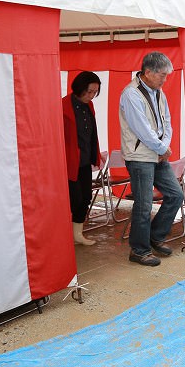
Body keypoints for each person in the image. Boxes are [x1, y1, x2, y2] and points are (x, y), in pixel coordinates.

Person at [119, 52, 184, 267]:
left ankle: (155, 236)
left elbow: (167, 121)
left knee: (175, 195)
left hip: (157, 153)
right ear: (147, 73)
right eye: (162, 75)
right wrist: (162, 147)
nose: (165, 80)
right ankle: (139, 250)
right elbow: (142, 130)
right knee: (144, 204)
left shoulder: (159, 92)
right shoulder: (131, 94)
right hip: (139, 157)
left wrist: (163, 146)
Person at [63, 71, 102, 246]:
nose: (92, 96)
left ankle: (77, 234)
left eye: (95, 92)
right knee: (74, 198)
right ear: (80, 88)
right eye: (89, 91)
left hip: (85, 159)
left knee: (86, 196)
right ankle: (64, 232)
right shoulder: (63, 105)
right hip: (69, 161)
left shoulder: (90, 106)